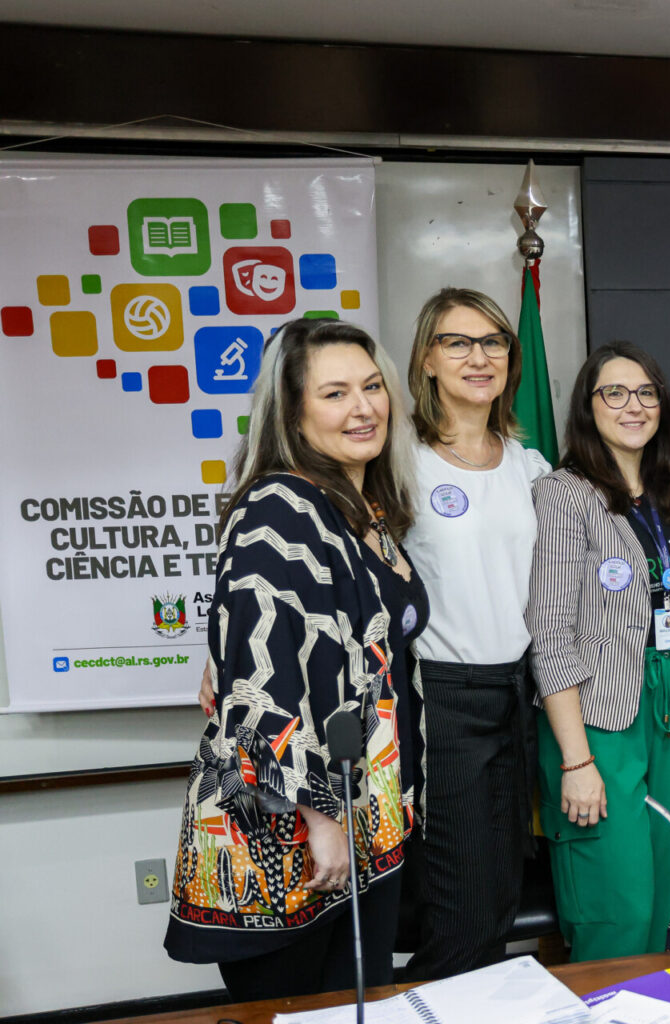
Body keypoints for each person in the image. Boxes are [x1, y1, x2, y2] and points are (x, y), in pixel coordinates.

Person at [165, 319, 425, 1000]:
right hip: (290, 830)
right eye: (335, 393)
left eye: (372, 387)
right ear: (293, 410)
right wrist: (323, 818)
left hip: (362, 804)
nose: (363, 407)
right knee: (297, 1012)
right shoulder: (282, 504)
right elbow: (263, 684)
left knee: (353, 1005)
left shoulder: (359, 505)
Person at [524, 341, 670, 961]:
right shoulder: (564, 493)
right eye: (615, 393)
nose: (634, 406)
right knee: (616, 899)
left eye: (646, 393)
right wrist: (576, 760)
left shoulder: (668, 496)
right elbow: (550, 630)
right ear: (587, 406)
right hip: (599, 711)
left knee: (661, 884)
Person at [395, 287, 550, 980]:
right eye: (458, 342)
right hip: (442, 701)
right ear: (428, 358)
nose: (478, 357)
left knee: (500, 898)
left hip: (517, 697)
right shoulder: (399, 463)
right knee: (456, 904)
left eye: (492, 343)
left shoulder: (529, 465)